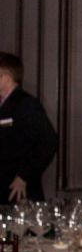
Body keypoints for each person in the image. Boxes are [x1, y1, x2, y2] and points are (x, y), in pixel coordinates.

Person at [0, 52, 58, 203]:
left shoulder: (26, 103)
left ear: (6, 76)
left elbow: (49, 141)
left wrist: (24, 176)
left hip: (18, 192)